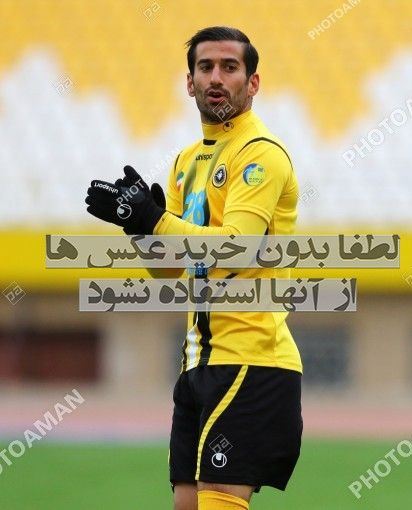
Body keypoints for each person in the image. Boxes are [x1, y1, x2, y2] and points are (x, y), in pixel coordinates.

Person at [85, 26, 302, 510]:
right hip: (197, 362)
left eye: (229, 67)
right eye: (205, 67)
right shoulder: (185, 162)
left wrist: (155, 220)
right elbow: (168, 271)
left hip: (250, 359)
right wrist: (139, 228)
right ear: (190, 82)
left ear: (253, 82)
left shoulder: (260, 153)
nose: (216, 78)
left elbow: (238, 248)